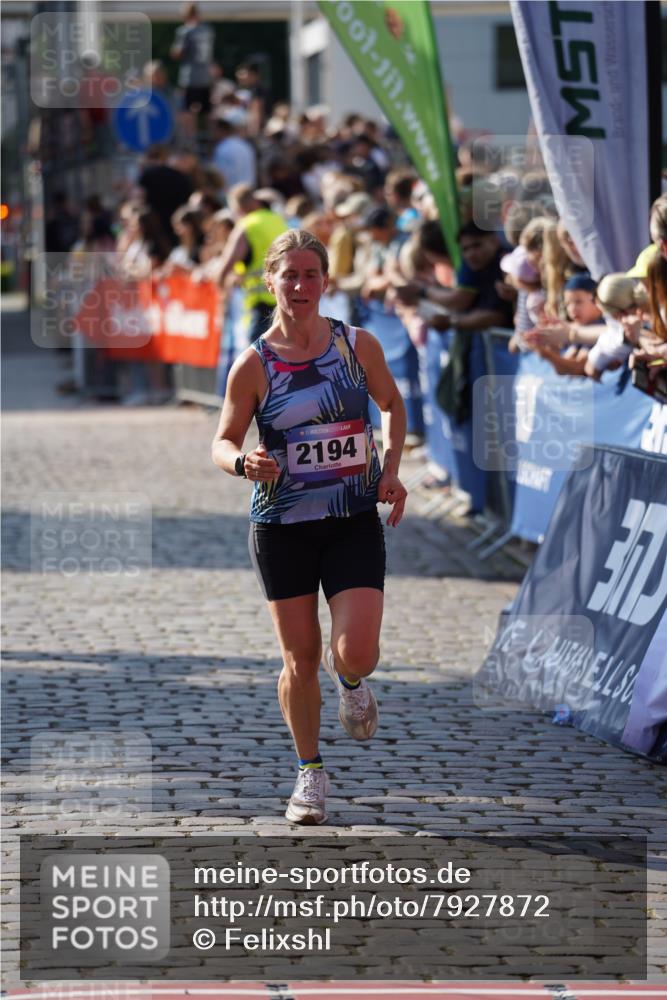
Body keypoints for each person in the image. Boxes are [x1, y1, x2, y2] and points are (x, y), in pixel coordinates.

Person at [211, 229, 408, 825]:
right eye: (288, 275)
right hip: (283, 527)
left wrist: (390, 471)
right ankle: (309, 774)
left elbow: (393, 405)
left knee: (358, 652)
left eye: (310, 275)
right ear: (270, 281)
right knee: (299, 656)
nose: (300, 286)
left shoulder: (356, 345)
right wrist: (245, 463)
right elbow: (221, 441)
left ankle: (349, 680)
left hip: (351, 519)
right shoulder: (254, 363)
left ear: (326, 281)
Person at [213, 184, 287, 342]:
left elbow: (225, 267)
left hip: (262, 304)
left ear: (238, 208)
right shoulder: (277, 220)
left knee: (257, 358)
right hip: (285, 298)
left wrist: (221, 298)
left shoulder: (246, 225)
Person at [170, 2, 214, 116]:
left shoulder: (185, 31)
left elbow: (177, 53)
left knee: (187, 110)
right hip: (205, 76)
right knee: (207, 111)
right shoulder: (207, 30)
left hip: (190, 77)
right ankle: (210, 133)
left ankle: (190, 134)